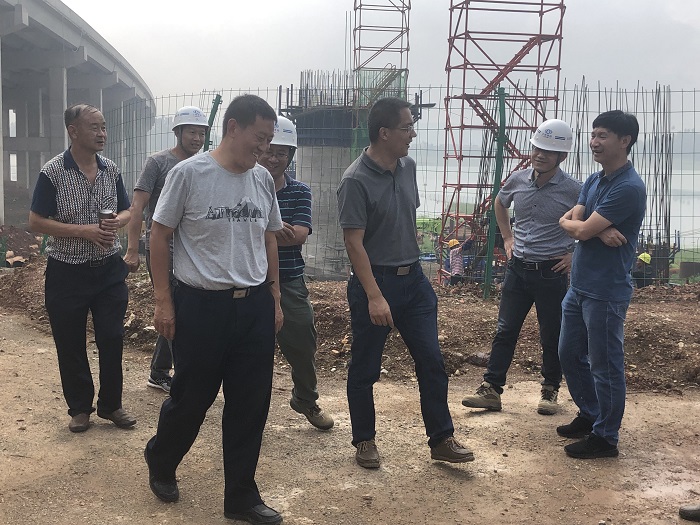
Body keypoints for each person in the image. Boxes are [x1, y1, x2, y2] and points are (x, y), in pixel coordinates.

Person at [144, 94, 285, 525]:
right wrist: (164, 301)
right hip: (202, 306)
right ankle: (161, 458)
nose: (265, 149)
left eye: (269, 140)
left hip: (254, 305)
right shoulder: (189, 174)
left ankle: (241, 497)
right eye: (260, 138)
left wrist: (275, 298)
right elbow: (159, 235)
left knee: (250, 403)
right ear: (233, 127)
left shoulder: (262, 180)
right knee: (192, 399)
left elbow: (269, 237)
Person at [337, 97, 474, 469]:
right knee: (365, 367)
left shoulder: (408, 167)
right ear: (384, 133)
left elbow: (405, 219)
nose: (413, 134)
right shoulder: (355, 180)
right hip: (375, 283)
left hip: (413, 282)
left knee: (432, 361)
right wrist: (374, 296)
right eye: (407, 127)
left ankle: (441, 439)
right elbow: (353, 243)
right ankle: (364, 440)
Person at [461, 119, 581, 415]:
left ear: (562, 156)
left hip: (551, 272)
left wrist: (574, 255)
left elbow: (591, 224)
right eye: (537, 148)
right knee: (505, 330)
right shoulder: (517, 180)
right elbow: (499, 204)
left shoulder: (574, 190)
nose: (540, 155)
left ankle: (550, 390)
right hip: (518, 269)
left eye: (548, 151)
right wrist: (507, 237)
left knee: (551, 333)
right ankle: (491, 389)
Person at [28, 103, 136, 433]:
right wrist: (83, 231)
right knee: (70, 341)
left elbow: (128, 210)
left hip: (108, 270)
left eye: (103, 127)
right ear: (73, 131)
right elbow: (35, 222)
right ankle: (79, 408)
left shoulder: (111, 170)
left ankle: (111, 405)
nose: (102, 133)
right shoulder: (53, 172)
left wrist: (117, 221)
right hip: (67, 271)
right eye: (94, 127)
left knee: (112, 336)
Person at [557, 110, 646, 459]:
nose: (594, 141)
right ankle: (591, 413)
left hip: (606, 291)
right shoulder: (595, 179)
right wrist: (595, 229)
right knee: (568, 353)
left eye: (603, 135)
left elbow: (577, 227)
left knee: (605, 365)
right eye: (593, 134)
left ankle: (606, 437)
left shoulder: (628, 187)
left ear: (625, 141)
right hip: (579, 285)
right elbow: (573, 220)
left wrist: (583, 228)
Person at [123, 106, 210, 393]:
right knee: (174, 306)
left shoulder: (204, 165)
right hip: (163, 248)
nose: (197, 139)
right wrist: (132, 249)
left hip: (192, 249)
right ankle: (180, 373)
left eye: (202, 133)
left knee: (181, 308)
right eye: (192, 132)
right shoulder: (158, 163)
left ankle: (160, 371)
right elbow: (137, 207)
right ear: (178, 132)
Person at [257, 115, 334, 430]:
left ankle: (305, 398)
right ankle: (250, 409)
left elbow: (299, 234)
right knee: (252, 351)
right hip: (249, 280)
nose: (274, 158)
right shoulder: (246, 184)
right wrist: (274, 230)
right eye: (270, 151)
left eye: (282, 153)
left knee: (302, 340)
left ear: (290, 156)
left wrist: (261, 230)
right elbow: (238, 232)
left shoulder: (299, 191)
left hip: (289, 280)